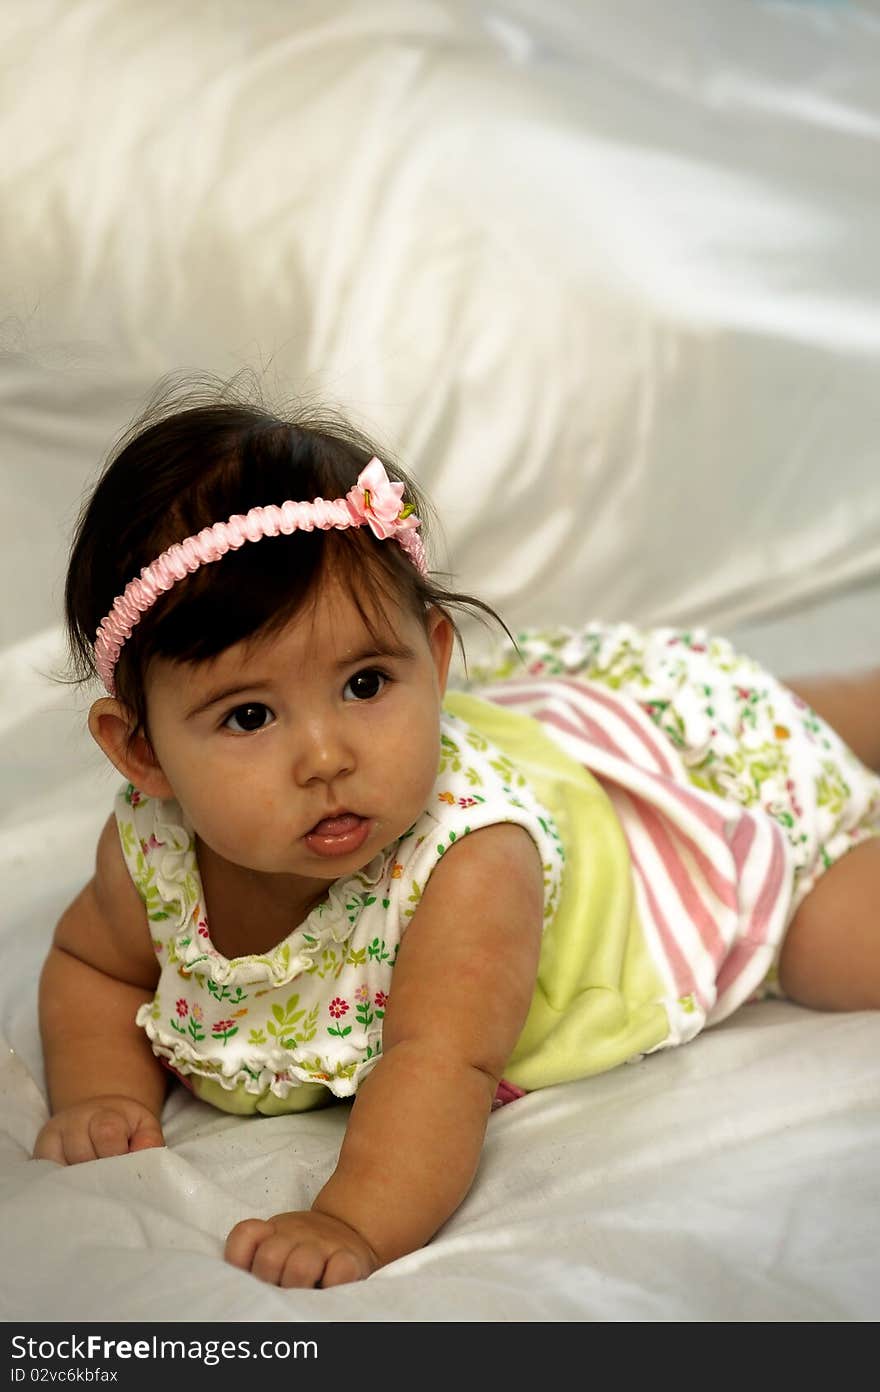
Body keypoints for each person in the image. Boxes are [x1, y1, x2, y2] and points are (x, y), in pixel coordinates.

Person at [33, 380, 880, 1290]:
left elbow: (441, 1062)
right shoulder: (150, 858)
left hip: (654, 843)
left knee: (838, 937)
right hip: (565, 742)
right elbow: (92, 966)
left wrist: (351, 1219)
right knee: (707, 713)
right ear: (142, 753)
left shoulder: (469, 863)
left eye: (365, 684)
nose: (326, 756)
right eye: (248, 716)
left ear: (433, 663)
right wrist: (105, 1094)